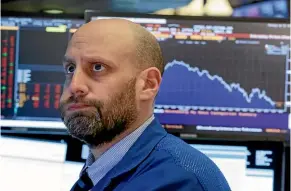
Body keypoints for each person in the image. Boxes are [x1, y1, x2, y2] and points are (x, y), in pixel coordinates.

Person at [59, 18, 231, 191]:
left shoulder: (180, 183)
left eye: (97, 67)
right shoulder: (100, 172)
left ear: (148, 84)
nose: (75, 85)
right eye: (71, 68)